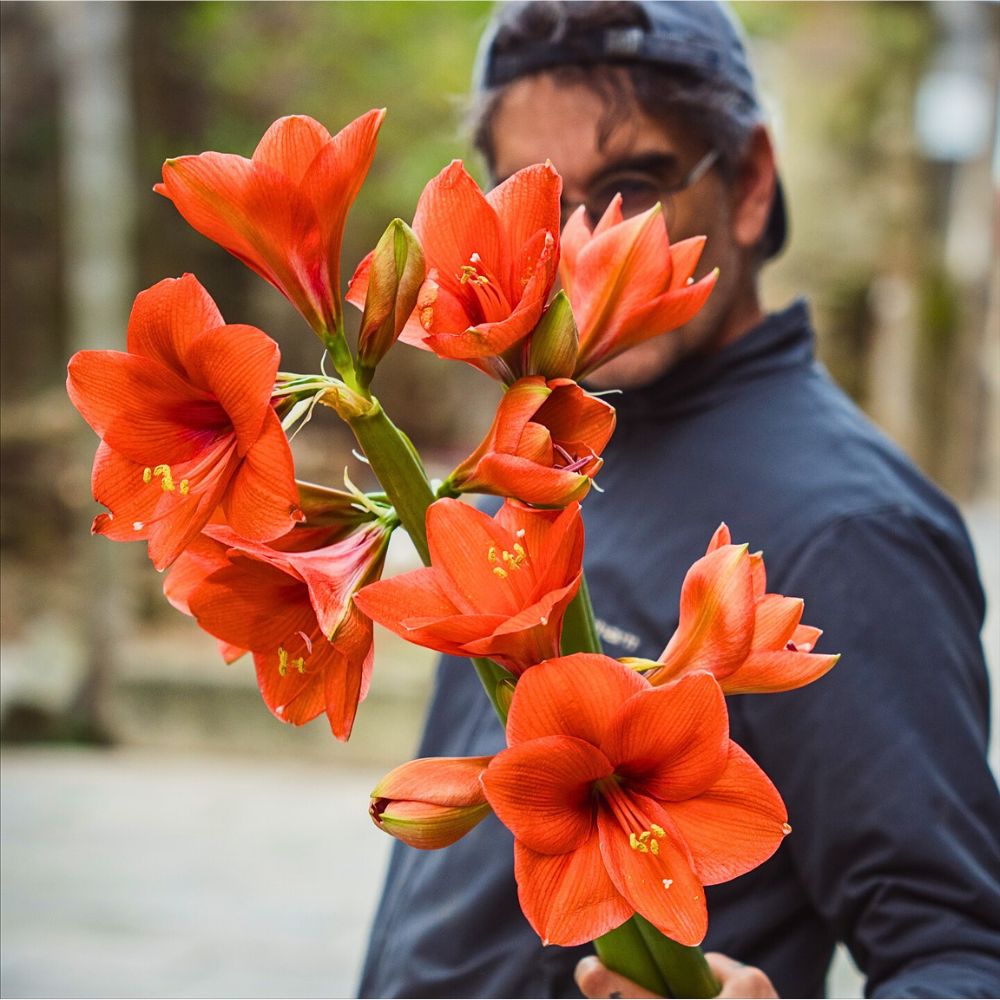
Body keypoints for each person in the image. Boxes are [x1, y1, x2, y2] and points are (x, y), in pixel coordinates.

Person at [358, 2, 1000, 997]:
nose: (576, 247)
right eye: (537, 204)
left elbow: (961, 953)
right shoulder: (534, 448)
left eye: (631, 185)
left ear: (748, 184)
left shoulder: (850, 526)